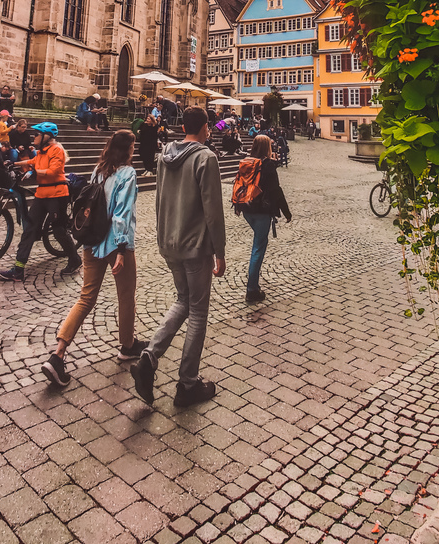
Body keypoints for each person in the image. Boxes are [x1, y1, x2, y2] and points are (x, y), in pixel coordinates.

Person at [130, 107, 226, 408]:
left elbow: (159, 198)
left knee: (183, 301)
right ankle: (187, 383)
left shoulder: (164, 156)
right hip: (195, 245)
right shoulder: (205, 158)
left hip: (169, 242)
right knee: (197, 311)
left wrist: (162, 236)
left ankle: (148, 358)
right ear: (205, 128)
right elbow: (213, 209)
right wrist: (219, 251)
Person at [41, 130, 148, 387]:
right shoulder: (127, 174)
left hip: (92, 241)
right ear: (128, 149)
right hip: (115, 242)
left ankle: (58, 354)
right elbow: (121, 213)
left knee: (86, 297)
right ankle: (127, 345)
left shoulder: (99, 170)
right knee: (126, 295)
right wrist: (122, 249)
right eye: (133, 146)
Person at [0, 123, 81, 281]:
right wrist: (14, 163)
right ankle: (18, 269)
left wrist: (35, 172)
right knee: (29, 229)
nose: (34, 137)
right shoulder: (41, 152)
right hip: (42, 194)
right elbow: (33, 161)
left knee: (59, 231)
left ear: (47, 137)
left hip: (57, 194)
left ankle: (74, 259)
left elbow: (53, 171)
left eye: (37, 134)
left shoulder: (56, 149)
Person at [237, 135, 292, 302]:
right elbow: (276, 190)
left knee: (258, 243)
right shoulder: (267, 165)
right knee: (258, 249)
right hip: (261, 210)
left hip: (247, 209)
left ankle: (254, 286)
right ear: (267, 147)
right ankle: (252, 289)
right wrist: (286, 212)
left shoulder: (247, 161)